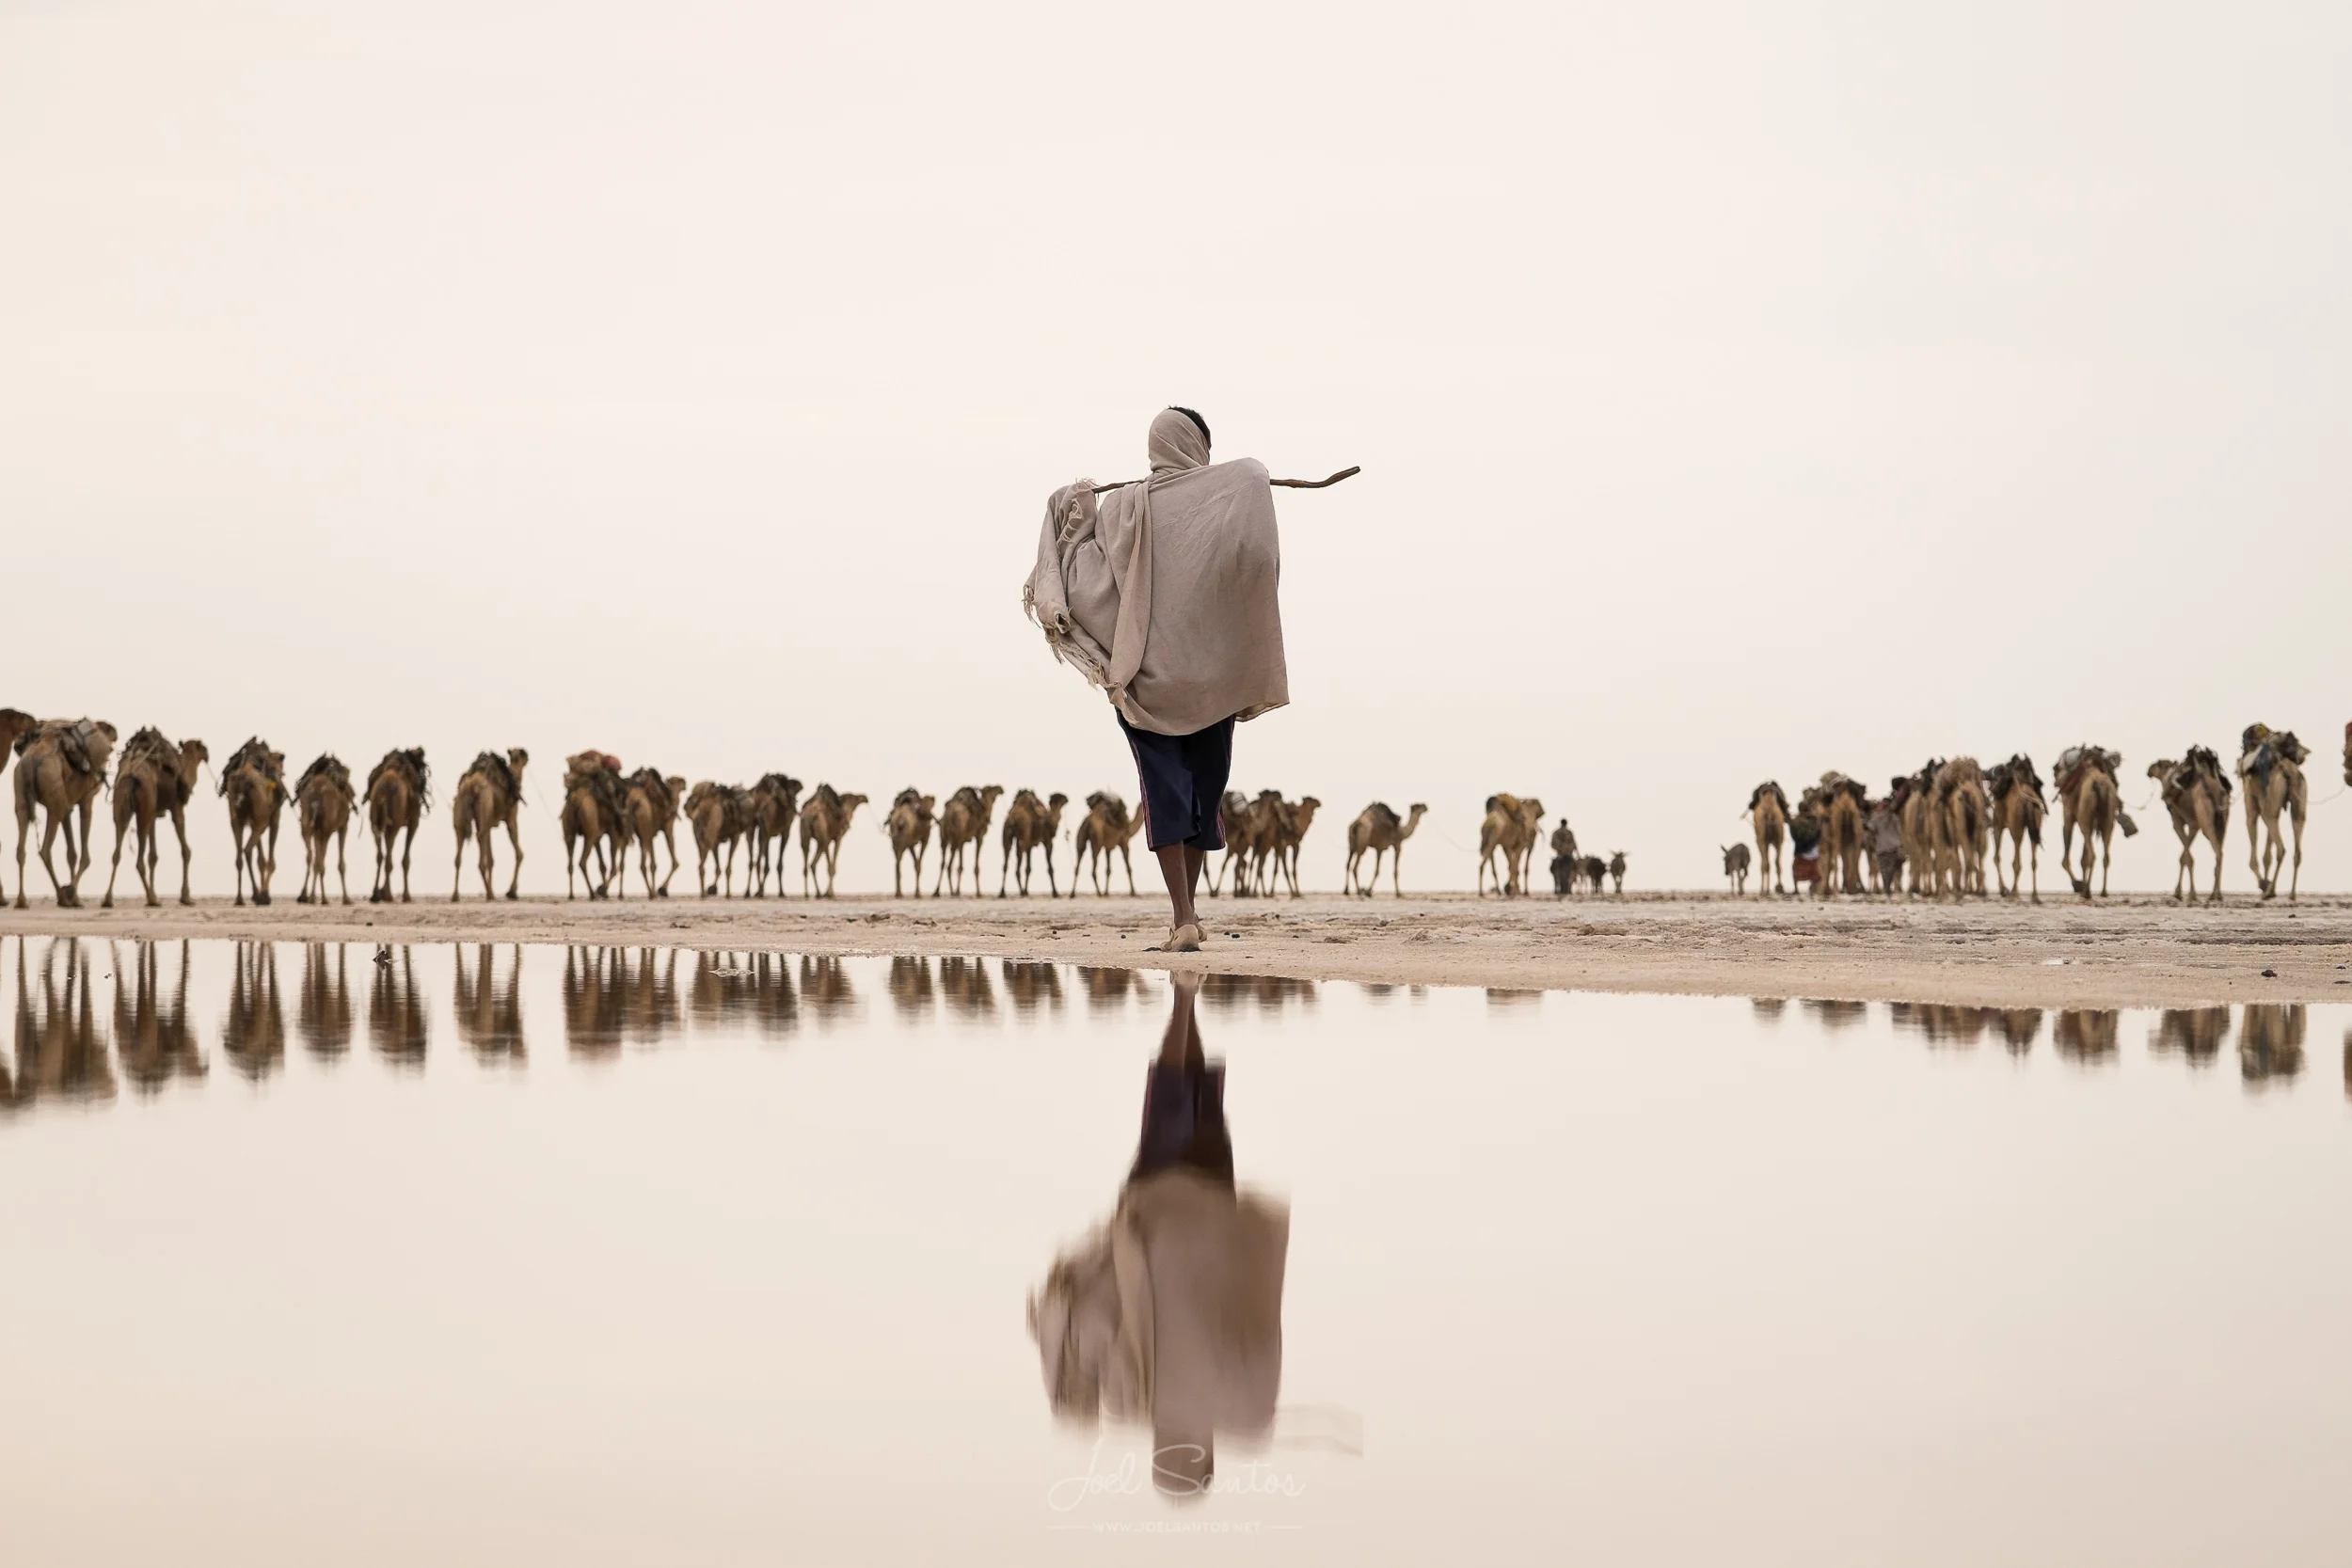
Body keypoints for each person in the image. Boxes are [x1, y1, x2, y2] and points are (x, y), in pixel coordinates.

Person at [1025, 409, 1289, 952]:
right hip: (1209, 682)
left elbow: (1083, 569)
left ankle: (1183, 914)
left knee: (1174, 792)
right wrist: (1249, 477)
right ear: (1195, 445)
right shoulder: (1227, 493)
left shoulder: (1125, 507)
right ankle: (1185, 912)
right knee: (1202, 792)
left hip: (1148, 682)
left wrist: (1069, 504)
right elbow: (1253, 543)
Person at [1027, 972, 1290, 1497]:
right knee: (1173, 1099)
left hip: (1214, 1212)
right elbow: (1091, 1319)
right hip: (1154, 1216)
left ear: (1208, 1452)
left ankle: (1186, 1004)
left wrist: (1249, 1233)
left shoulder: (1253, 1411)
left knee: (1201, 1107)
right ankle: (1184, 1000)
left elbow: (1265, 1309)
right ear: (1157, 1453)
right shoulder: (1126, 1401)